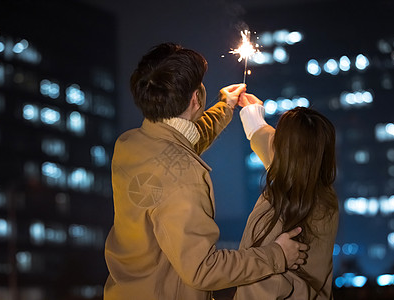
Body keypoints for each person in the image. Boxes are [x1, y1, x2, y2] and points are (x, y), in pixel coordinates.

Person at [103, 43, 308, 300]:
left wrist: (225, 106)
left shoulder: (130, 144)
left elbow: (180, 145)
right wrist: (277, 255)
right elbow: (202, 269)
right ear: (196, 98)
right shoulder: (184, 176)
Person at [231, 93, 339, 299]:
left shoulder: (280, 207)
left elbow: (259, 290)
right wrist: (253, 117)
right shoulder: (322, 193)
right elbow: (278, 146)